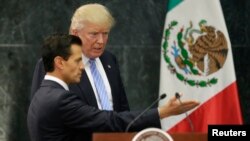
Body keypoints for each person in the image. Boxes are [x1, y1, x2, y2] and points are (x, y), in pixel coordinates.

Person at [27, 33, 199, 141]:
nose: (82, 67)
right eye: (78, 61)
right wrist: (163, 111)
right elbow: (109, 121)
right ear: (59, 62)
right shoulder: (60, 99)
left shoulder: (42, 94)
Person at [30, 3, 129, 113]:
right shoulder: (56, 63)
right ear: (75, 33)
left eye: (105, 33)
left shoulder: (109, 59)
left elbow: (122, 107)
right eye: (94, 34)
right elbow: (40, 112)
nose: (101, 41)